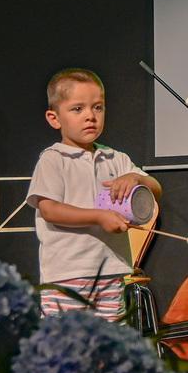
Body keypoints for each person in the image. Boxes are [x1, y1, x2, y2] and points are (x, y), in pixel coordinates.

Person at [26, 68, 162, 320]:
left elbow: (156, 187)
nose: (90, 116)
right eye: (78, 109)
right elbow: (49, 210)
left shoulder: (116, 158)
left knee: (110, 345)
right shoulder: (53, 160)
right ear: (54, 118)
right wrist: (98, 217)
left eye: (97, 107)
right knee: (68, 347)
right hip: (67, 275)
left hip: (110, 270)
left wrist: (135, 177)